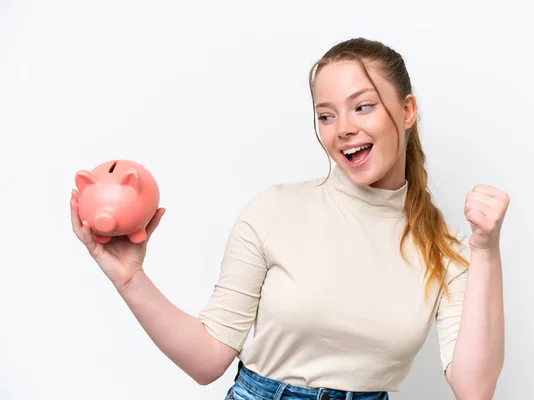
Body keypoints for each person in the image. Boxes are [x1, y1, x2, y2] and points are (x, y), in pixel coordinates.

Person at [70, 37, 509, 400]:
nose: (343, 129)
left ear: (407, 110)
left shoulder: (443, 248)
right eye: (326, 115)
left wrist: (486, 251)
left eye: (363, 106)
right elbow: (207, 361)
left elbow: (474, 388)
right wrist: (130, 279)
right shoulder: (273, 211)